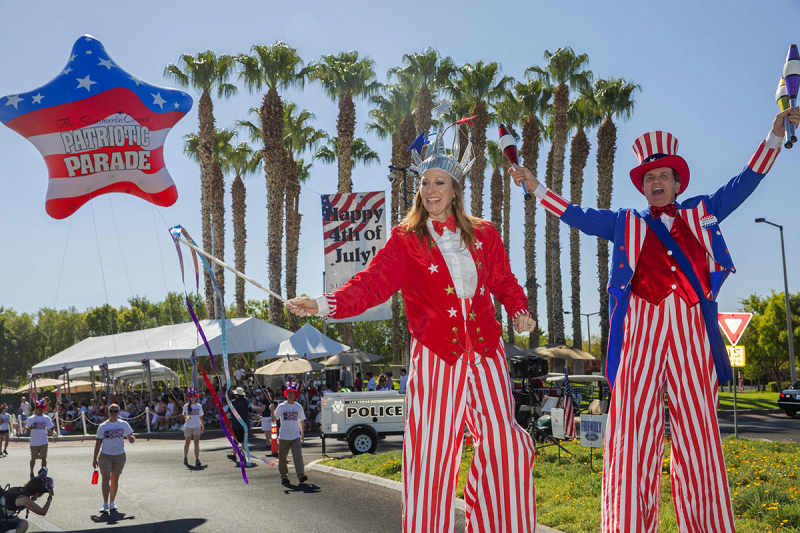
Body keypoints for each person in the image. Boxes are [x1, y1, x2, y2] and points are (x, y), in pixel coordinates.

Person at [511, 107, 800, 533]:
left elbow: (746, 182)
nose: (656, 183)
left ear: (677, 183)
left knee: (699, 438)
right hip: (639, 333)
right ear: (643, 188)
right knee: (630, 437)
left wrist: (774, 137)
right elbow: (577, 215)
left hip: (690, 331)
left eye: (663, 175)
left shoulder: (702, 211)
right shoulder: (625, 222)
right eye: (648, 178)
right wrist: (537, 187)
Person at [289, 117, 537, 533]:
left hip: (488, 356)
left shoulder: (485, 234)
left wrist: (518, 308)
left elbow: (504, 281)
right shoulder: (405, 238)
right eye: (425, 183)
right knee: (431, 457)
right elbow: (370, 285)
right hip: (437, 359)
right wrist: (322, 303)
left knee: (506, 446)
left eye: (440, 183)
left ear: (456, 189)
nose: (431, 191)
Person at [92, 403, 135, 513]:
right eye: (112, 411)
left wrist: (131, 438)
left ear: (119, 412)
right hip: (105, 455)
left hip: (119, 455)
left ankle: (112, 502)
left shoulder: (123, 424)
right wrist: (94, 458)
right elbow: (98, 442)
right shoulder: (103, 426)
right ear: (108, 412)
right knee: (105, 477)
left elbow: (130, 435)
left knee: (115, 479)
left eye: (116, 411)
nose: (114, 413)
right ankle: (105, 503)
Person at [270, 382, 307, 485]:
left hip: (295, 435)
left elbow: (301, 421)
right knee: (282, 458)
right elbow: (273, 420)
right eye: (289, 393)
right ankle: (284, 476)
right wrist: (272, 411)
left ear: (295, 395)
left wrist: (302, 435)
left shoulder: (298, 407)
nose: (290, 394)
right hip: (284, 436)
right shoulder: (282, 406)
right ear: (286, 394)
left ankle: (300, 475)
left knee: (298, 456)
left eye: (292, 393)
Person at [25, 400, 54, 479]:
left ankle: (43, 473)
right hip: (34, 442)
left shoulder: (46, 418)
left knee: (43, 457)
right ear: (36, 409)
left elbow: (51, 427)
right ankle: (31, 471)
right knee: (33, 458)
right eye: (38, 408)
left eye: (41, 407)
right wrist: (29, 428)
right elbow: (27, 428)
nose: (40, 409)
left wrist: (53, 432)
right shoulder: (32, 418)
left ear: (43, 409)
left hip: (43, 441)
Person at [182, 387, 204, 467]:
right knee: (187, 443)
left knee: (196, 442)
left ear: (196, 396)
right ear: (189, 398)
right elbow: (185, 414)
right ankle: (185, 457)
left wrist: (203, 426)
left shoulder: (199, 406)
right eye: (191, 396)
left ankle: (197, 459)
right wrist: (187, 417)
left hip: (197, 426)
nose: (193, 397)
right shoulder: (186, 406)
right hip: (188, 426)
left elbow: (200, 417)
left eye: (194, 396)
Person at [229, 387, 250, 461]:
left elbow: (229, 411)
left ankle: (234, 455)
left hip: (236, 424)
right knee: (244, 441)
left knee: (235, 441)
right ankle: (244, 456)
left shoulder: (233, 402)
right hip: (245, 424)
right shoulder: (245, 401)